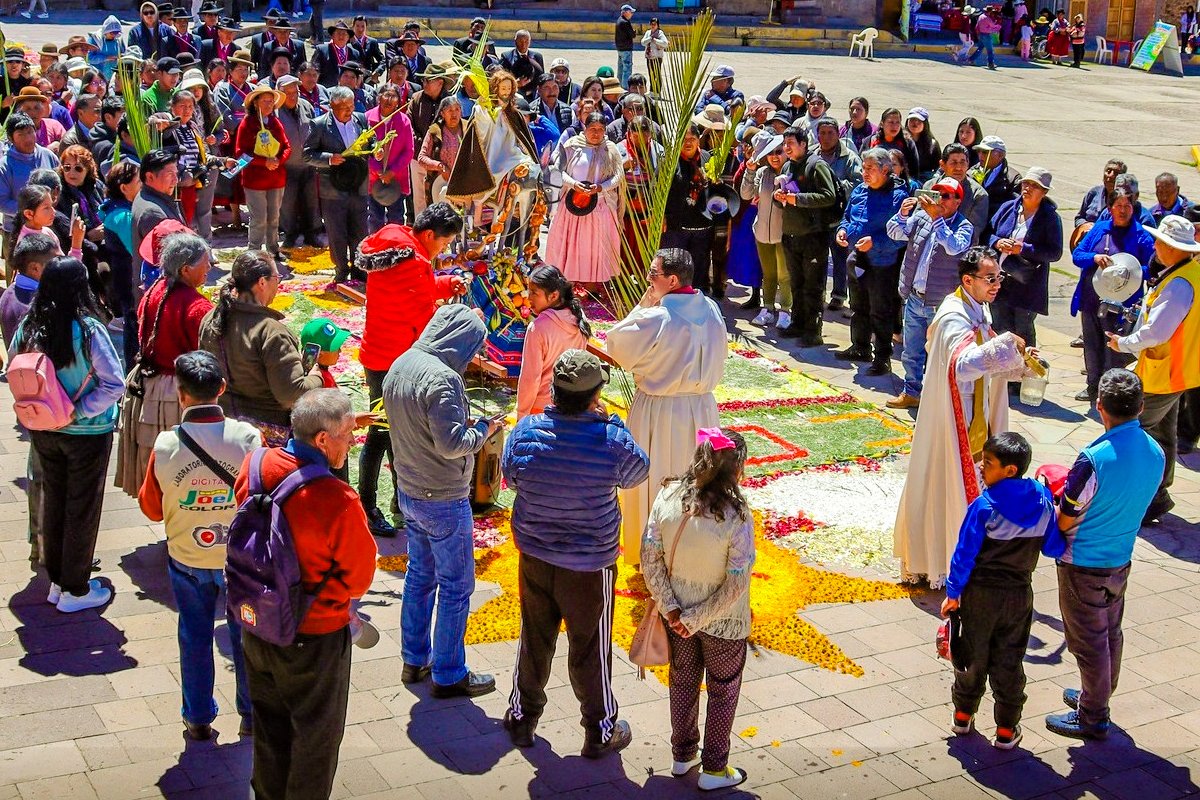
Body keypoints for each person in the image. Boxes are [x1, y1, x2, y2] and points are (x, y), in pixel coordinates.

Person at [501, 349, 649, 755]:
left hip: (535, 553)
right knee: (590, 647)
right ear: (594, 396)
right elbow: (640, 470)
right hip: (588, 564)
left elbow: (510, 477)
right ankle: (600, 730)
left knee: (535, 636)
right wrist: (612, 423)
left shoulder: (527, 431)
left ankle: (522, 717)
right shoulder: (611, 439)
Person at [234, 389, 377, 799]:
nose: (353, 441)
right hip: (312, 634)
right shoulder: (338, 498)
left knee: (269, 729)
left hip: (257, 622)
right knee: (315, 740)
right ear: (321, 440)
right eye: (348, 434)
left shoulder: (255, 464)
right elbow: (357, 582)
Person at [138, 350, 258, 741]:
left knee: (194, 634)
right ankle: (251, 713)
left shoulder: (165, 445)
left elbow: (151, 508)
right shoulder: (247, 438)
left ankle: (198, 717)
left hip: (187, 557)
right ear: (222, 389)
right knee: (245, 636)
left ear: (179, 392)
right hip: (239, 559)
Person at [893, 247, 1030, 588]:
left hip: (977, 410)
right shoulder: (953, 314)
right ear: (968, 280)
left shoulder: (979, 307)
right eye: (990, 278)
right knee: (951, 481)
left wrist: (1019, 360)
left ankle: (971, 550)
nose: (997, 284)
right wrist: (1005, 347)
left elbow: (987, 356)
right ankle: (944, 557)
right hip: (955, 416)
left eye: (999, 277)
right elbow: (963, 365)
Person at [383, 304, 502, 698]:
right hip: (444, 498)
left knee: (420, 576)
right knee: (455, 586)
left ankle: (414, 658)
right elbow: (452, 445)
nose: (472, 358)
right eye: (473, 348)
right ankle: (449, 673)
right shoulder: (443, 378)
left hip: (411, 490)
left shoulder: (403, 362)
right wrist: (484, 428)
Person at [1045, 370, 1164, 740]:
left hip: (1083, 564)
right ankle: (1095, 694)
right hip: (1120, 560)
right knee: (1110, 632)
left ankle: (1093, 715)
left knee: (1087, 642)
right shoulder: (1156, 451)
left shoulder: (1094, 458)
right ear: (1141, 407)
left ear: (1100, 408)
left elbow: (1069, 513)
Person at [642, 427, 755, 791]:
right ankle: (715, 770)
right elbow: (737, 581)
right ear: (735, 470)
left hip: (676, 618)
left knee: (683, 681)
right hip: (722, 624)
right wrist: (695, 618)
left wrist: (674, 610)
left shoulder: (668, 495)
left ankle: (682, 755)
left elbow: (649, 558)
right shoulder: (736, 514)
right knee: (723, 690)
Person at [10, 257, 125, 612]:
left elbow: (13, 363)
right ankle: (75, 589)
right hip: (87, 432)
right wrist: (78, 409)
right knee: (82, 508)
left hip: (43, 428)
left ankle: (58, 582)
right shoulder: (88, 328)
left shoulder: (30, 324)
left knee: (55, 501)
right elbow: (114, 383)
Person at [941, 432, 1063, 750]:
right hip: (1019, 596)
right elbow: (1052, 547)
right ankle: (1007, 728)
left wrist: (953, 593)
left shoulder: (984, 507)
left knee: (971, 654)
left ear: (1009, 470)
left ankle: (963, 715)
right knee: (1009, 659)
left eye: (989, 463)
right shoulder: (1043, 501)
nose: (982, 467)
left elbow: (963, 554)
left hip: (980, 596)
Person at [606, 248, 726, 565]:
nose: (648, 279)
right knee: (699, 479)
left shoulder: (657, 316)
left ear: (671, 280)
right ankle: (693, 554)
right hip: (703, 410)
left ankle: (655, 557)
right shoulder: (712, 309)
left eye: (653, 273)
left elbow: (615, 342)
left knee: (656, 480)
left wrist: (644, 304)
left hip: (659, 412)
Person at [355, 203, 465, 535]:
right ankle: (373, 506)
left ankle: (389, 504)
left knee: (387, 432)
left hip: (379, 355)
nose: (443, 250)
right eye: (443, 244)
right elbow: (423, 313)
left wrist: (444, 285)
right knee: (386, 434)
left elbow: (419, 290)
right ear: (429, 234)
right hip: (395, 362)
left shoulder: (396, 239)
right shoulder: (414, 264)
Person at [1108, 214, 1200, 523]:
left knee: (1133, 430)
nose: (1157, 245)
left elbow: (1157, 332)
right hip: (1178, 369)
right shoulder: (1190, 274)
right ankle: (1157, 495)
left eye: (1162, 241)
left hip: (1165, 372)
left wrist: (1123, 344)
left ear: (1176, 248)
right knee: (1163, 433)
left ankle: (1138, 496)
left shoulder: (1179, 285)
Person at [116, 232, 213, 497]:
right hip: (175, 393)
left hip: (148, 384)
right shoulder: (196, 307)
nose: (210, 268)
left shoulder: (154, 290)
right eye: (205, 263)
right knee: (181, 470)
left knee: (162, 469)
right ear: (185, 269)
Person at [199, 251, 325, 445]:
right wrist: (315, 376)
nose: (279, 284)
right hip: (264, 438)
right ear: (262, 282)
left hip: (221, 430)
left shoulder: (211, 320)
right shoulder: (271, 332)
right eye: (277, 278)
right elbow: (290, 394)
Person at [886, 176, 975, 409]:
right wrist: (903, 214)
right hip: (915, 296)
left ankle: (938, 399)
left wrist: (937, 219)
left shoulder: (964, 226)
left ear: (958, 201)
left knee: (939, 355)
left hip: (940, 303)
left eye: (946, 196)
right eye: (937, 195)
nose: (940, 200)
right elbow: (895, 232)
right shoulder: (922, 217)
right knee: (911, 351)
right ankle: (912, 392)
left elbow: (954, 247)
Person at [1070, 187, 1155, 403]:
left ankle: (1111, 394)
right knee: (1091, 344)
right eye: (1119, 206)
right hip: (1092, 300)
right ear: (1110, 208)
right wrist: (1095, 257)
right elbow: (1078, 255)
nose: (1123, 210)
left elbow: (1152, 268)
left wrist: (1130, 272)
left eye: (1128, 206)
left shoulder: (1142, 236)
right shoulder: (1099, 229)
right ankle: (1092, 387)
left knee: (1115, 350)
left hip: (1123, 306)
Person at [835, 147, 908, 375]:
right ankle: (860, 346)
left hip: (882, 263)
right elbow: (847, 216)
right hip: (857, 257)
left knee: (880, 310)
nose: (864, 173)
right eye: (863, 168)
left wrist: (875, 242)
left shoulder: (899, 197)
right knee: (858, 306)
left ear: (886, 170)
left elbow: (902, 235)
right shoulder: (859, 190)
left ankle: (883, 357)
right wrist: (843, 230)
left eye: (870, 169)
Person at [987, 166, 1062, 353]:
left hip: (1027, 286)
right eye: (1026, 183)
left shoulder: (1050, 218)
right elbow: (987, 233)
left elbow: (1054, 252)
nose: (1027, 188)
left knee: (1023, 334)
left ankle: (1024, 379)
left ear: (1044, 192)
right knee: (1000, 330)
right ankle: (1002, 379)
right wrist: (997, 242)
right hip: (1000, 282)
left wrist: (1024, 249)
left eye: (1034, 186)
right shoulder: (1008, 208)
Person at [547, 112, 625, 287]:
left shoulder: (611, 149)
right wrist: (574, 184)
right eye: (592, 129)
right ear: (584, 128)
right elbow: (558, 169)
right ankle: (568, 283)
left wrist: (601, 187)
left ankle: (593, 286)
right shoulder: (572, 145)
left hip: (600, 206)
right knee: (571, 244)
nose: (596, 133)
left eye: (600, 130)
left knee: (595, 247)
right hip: (572, 206)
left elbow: (618, 175)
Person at [775, 125, 837, 343]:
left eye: (790, 144)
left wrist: (798, 199)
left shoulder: (816, 165)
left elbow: (828, 196)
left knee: (813, 285)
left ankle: (813, 330)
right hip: (791, 234)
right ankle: (798, 323)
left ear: (803, 144)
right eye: (785, 144)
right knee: (797, 283)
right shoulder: (787, 167)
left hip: (813, 236)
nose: (786, 148)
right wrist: (780, 197)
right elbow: (785, 197)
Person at [304, 86, 372, 283]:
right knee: (337, 232)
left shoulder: (361, 119)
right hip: (333, 188)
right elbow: (307, 154)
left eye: (351, 105)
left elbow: (371, 141)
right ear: (332, 106)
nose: (349, 110)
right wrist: (328, 159)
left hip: (358, 184)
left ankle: (360, 268)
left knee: (360, 230)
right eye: (343, 107)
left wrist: (376, 150)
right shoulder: (320, 125)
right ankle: (341, 269)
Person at [516, 266, 592, 418]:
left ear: (553, 295)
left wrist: (522, 413)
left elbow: (530, 378)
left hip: (541, 411)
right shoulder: (578, 317)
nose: (528, 297)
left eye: (534, 293)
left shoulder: (538, 327)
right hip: (573, 406)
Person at [741, 132, 790, 330]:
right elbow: (746, 194)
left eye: (779, 151)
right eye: (770, 153)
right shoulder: (762, 173)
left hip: (782, 232)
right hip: (762, 231)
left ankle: (785, 311)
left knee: (784, 274)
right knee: (768, 273)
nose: (775, 156)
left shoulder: (789, 172)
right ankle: (767, 308)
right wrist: (750, 171)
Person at [815, 118, 863, 311]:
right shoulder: (813, 154)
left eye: (830, 133)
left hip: (839, 216)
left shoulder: (849, 157)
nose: (826, 138)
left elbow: (858, 183)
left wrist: (835, 187)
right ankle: (818, 292)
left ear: (838, 134)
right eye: (822, 133)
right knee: (817, 256)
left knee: (840, 257)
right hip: (816, 215)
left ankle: (839, 294)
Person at [276, 76, 323, 248]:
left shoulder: (306, 106)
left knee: (311, 202)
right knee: (288, 203)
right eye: (287, 93)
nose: (292, 96)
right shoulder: (274, 111)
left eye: (295, 92)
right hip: (286, 166)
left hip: (308, 164)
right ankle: (290, 235)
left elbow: (314, 129)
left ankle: (311, 234)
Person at [365, 83, 415, 232]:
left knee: (397, 218)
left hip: (396, 179)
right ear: (379, 97)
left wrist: (391, 172)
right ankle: (375, 250)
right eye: (386, 95)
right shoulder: (367, 118)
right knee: (375, 218)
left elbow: (409, 151)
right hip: (373, 179)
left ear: (399, 101)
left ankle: (395, 250)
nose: (389, 99)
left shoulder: (404, 121)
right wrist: (377, 171)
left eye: (393, 96)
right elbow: (364, 149)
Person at [131, 150, 184, 282]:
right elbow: (171, 261)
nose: (176, 180)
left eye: (176, 174)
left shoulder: (145, 196)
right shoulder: (153, 213)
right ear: (150, 177)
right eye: (170, 174)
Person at [971, 136, 1021, 239]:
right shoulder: (972, 172)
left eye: (985, 152)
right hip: (973, 224)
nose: (980, 155)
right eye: (979, 151)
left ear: (1001, 155)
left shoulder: (1012, 178)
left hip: (993, 229)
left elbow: (1013, 209)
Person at [904, 107, 940, 183]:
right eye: (912, 120)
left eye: (919, 121)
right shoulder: (901, 141)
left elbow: (939, 167)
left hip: (925, 180)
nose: (915, 123)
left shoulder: (932, 145)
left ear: (925, 124)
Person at [641, 17, 669, 94]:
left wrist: (656, 40)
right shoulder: (648, 33)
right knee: (651, 74)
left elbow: (665, 43)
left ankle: (657, 91)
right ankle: (652, 90)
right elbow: (643, 42)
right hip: (649, 57)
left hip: (657, 57)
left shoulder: (660, 33)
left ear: (657, 25)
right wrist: (649, 39)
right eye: (651, 24)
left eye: (654, 24)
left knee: (657, 74)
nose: (653, 26)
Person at [614, 4, 636, 88]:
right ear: (625, 12)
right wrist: (634, 32)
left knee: (620, 68)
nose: (632, 14)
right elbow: (632, 35)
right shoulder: (625, 22)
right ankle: (625, 87)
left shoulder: (619, 20)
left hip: (620, 48)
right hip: (626, 49)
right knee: (627, 69)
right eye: (631, 12)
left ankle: (619, 85)